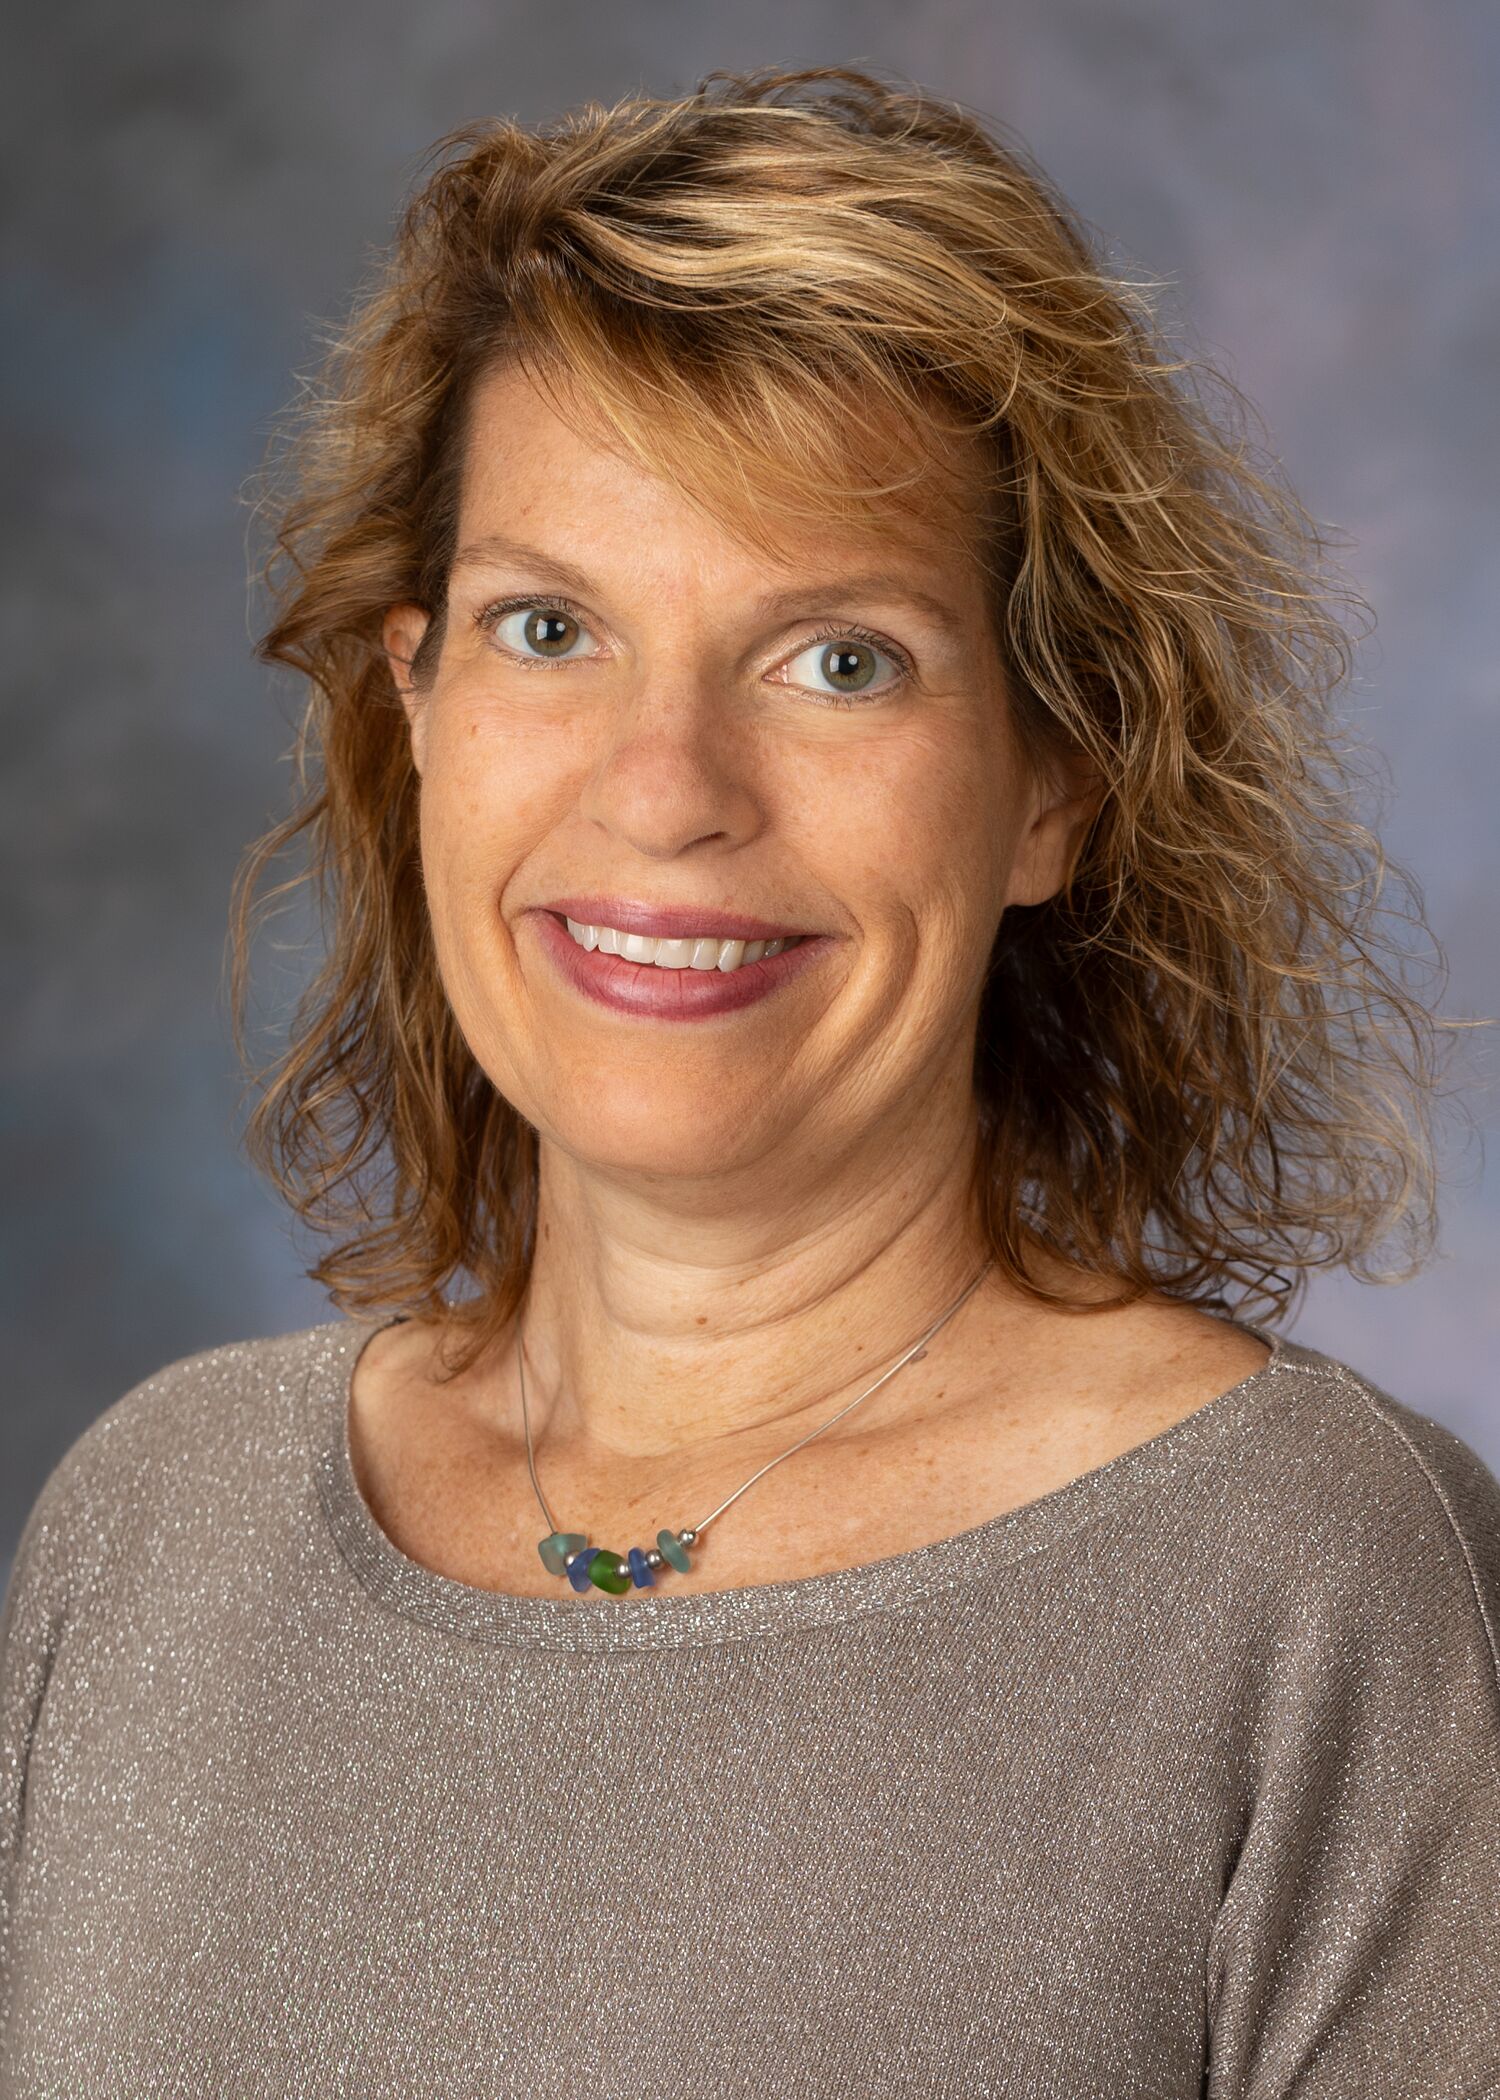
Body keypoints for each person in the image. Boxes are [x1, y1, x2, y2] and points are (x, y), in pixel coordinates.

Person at [2, 62, 1496, 2097]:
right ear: (414, 698)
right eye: (552, 627)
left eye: (840, 659)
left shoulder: (1317, 1591)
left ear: (1056, 775)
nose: (668, 792)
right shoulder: (151, 1537)